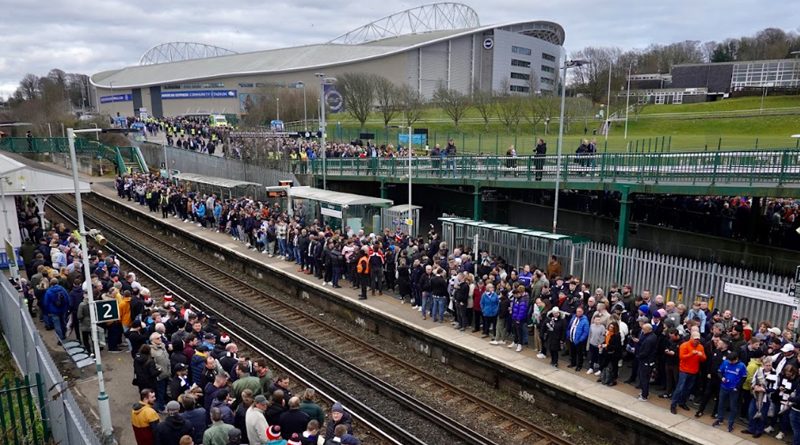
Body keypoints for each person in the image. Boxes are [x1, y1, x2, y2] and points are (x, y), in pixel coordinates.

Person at [671, 331, 707, 413]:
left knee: (688, 389)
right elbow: (681, 357)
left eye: (698, 339)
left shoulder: (700, 347)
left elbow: (704, 359)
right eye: (695, 339)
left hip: (694, 371)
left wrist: (701, 356)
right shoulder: (684, 345)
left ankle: (682, 402)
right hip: (684, 370)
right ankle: (673, 404)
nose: (697, 341)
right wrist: (691, 353)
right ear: (691, 338)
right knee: (679, 388)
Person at [712, 351, 748, 432]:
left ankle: (731, 423)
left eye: (732, 361)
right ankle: (719, 419)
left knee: (733, 407)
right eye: (729, 361)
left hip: (734, 389)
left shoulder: (742, 366)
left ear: (736, 359)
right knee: (721, 403)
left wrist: (738, 387)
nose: (730, 362)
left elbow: (744, 377)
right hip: (724, 387)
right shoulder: (725, 362)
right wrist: (722, 378)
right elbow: (719, 372)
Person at [635, 323, 658, 401]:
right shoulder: (653, 336)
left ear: (649, 330)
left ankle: (644, 395)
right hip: (650, 361)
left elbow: (645, 352)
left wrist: (638, 356)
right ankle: (644, 392)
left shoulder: (649, 340)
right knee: (645, 378)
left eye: (644, 329)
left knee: (644, 378)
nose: (642, 331)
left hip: (646, 362)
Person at [567, 306, 589, 372]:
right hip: (571, 338)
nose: (578, 313)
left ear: (582, 312)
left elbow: (585, 332)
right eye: (577, 311)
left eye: (579, 311)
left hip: (579, 340)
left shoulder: (585, 321)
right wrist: (568, 334)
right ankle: (573, 363)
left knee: (579, 354)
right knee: (572, 352)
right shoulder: (574, 317)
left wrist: (580, 340)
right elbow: (569, 326)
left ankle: (579, 366)